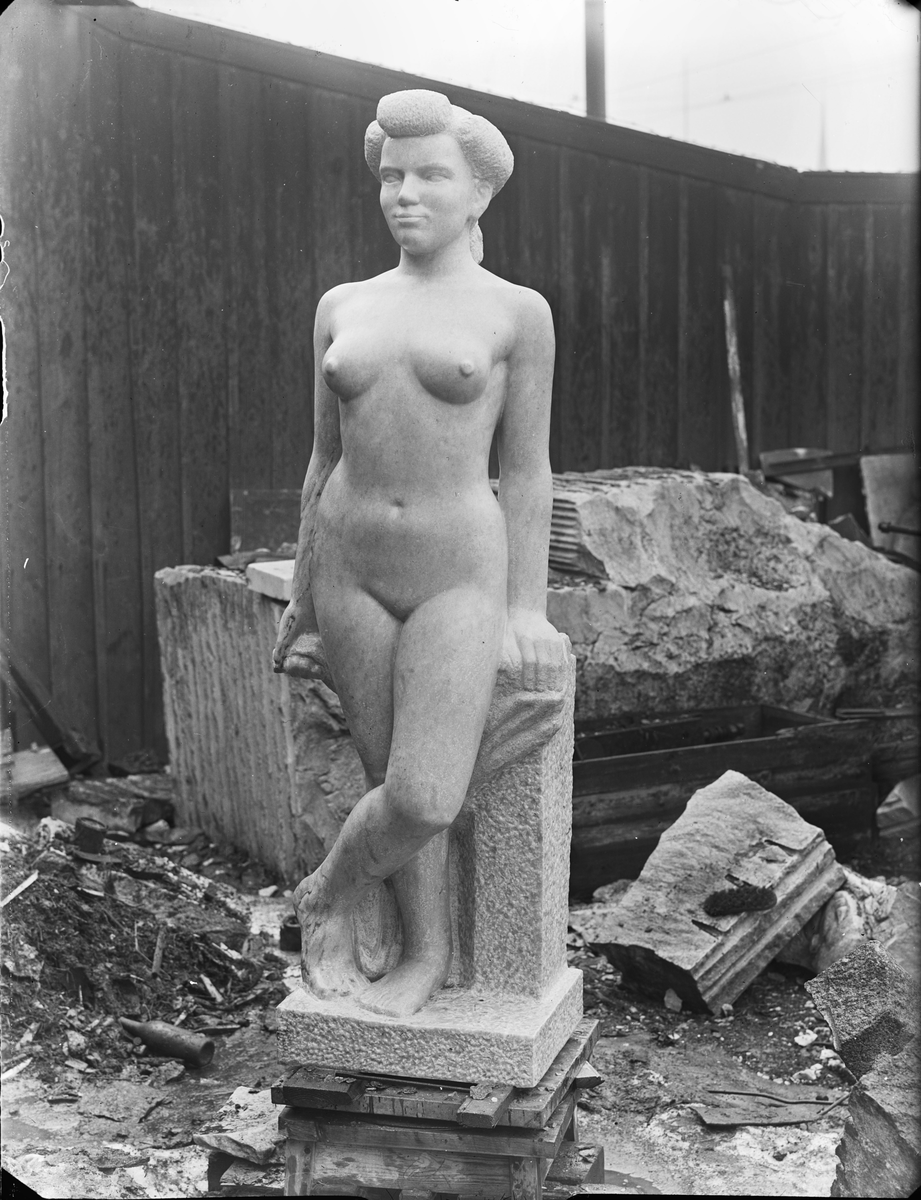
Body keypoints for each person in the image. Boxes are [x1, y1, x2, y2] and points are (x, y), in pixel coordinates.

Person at [272, 89, 566, 1018]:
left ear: (477, 191)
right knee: (385, 775)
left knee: (425, 795)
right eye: (392, 176)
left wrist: (526, 607)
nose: (405, 194)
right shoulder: (342, 305)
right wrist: (302, 589)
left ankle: (326, 889)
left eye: (430, 175)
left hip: (455, 569)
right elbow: (322, 459)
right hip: (351, 566)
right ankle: (427, 954)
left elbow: (526, 471)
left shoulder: (516, 312)